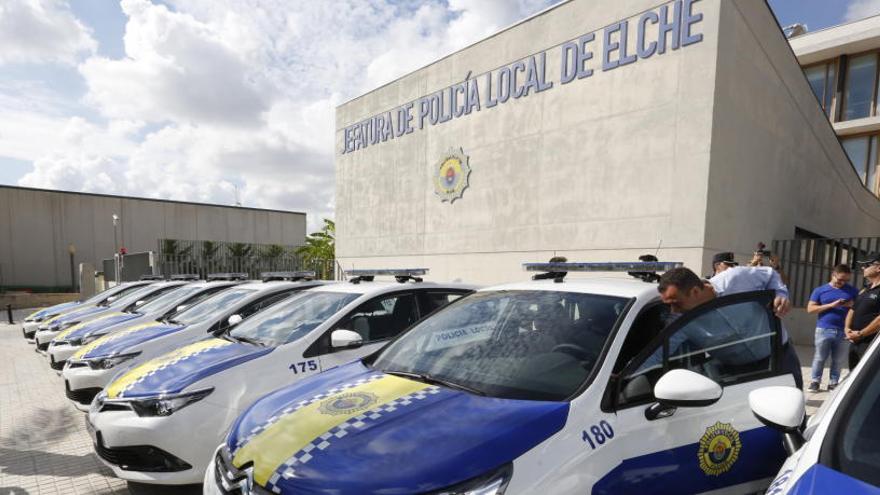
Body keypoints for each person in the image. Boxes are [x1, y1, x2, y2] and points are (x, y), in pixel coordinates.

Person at [657, 266, 803, 389]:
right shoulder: (680, 322)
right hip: (736, 374)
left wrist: (781, 294)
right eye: (668, 305)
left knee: (792, 415)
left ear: (695, 291)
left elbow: (770, 275)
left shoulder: (736, 278)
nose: (673, 311)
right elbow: (659, 353)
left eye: (676, 303)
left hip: (780, 359)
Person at [805, 264, 858, 392]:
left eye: (846, 280)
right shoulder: (820, 290)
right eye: (840, 279)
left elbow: (860, 307)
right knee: (819, 357)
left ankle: (833, 383)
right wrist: (831, 305)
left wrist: (852, 304)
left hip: (844, 330)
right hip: (824, 329)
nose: (843, 282)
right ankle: (815, 382)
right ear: (833, 275)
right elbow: (810, 309)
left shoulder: (853, 291)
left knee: (838, 360)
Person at [845, 252, 880, 368]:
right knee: (853, 374)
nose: (863, 267)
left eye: (867, 264)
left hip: (871, 343)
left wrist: (861, 334)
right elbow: (853, 309)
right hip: (855, 341)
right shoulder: (865, 289)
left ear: (878, 267)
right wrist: (847, 328)